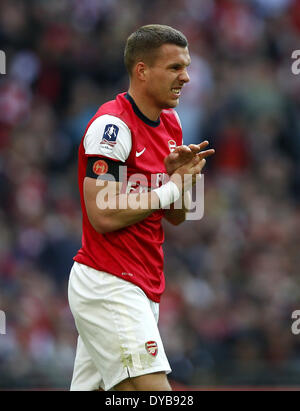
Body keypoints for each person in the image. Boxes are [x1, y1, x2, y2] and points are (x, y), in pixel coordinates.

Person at [68, 24, 215, 391]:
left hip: (144, 284)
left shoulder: (171, 123)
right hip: (110, 282)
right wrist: (169, 189)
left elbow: (178, 216)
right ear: (142, 70)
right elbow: (102, 215)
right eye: (175, 68)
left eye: (187, 66)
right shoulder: (111, 128)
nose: (186, 77)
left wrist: (185, 179)